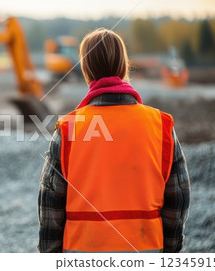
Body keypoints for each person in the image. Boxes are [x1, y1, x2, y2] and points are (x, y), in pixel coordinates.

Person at [38, 28, 190, 253]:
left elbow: (50, 203)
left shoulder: (69, 128)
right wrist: (169, 253)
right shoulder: (161, 125)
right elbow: (178, 198)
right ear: (123, 67)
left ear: (86, 70)